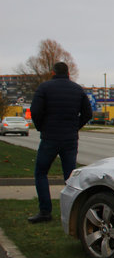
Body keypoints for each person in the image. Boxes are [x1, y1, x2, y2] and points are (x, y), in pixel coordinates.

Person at [28, 62, 92, 223]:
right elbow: (88, 113)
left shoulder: (44, 88)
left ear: (52, 72)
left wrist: (42, 127)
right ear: (68, 73)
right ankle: (73, 213)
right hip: (70, 138)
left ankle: (45, 211)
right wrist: (75, 126)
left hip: (50, 137)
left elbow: (35, 111)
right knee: (70, 177)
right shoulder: (77, 89)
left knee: (41, 173)